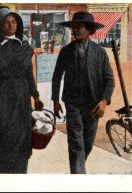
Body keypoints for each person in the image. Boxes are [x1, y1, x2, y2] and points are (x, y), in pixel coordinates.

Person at [0, 6, 44, 174]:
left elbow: (29, 74)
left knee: (21, 136)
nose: (11, 25)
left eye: (13, 21)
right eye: (6, 22)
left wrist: (35, 96)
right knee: (3, 134)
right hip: (1, 96)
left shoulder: (26, 48)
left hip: (22, 96)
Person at [51, 11, 115, 174]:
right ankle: (79, 177)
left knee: (87, 142)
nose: (75, 30)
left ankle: (78, 170)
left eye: (79, 27)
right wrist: (56, 100)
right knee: (76, 142)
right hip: (73, 104)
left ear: (89, 30)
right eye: (74, 27)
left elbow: (109, 79)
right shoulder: (66, 51)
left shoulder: (100, 53)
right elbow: (57, 76)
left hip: (93, 106)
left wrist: (104, 101)